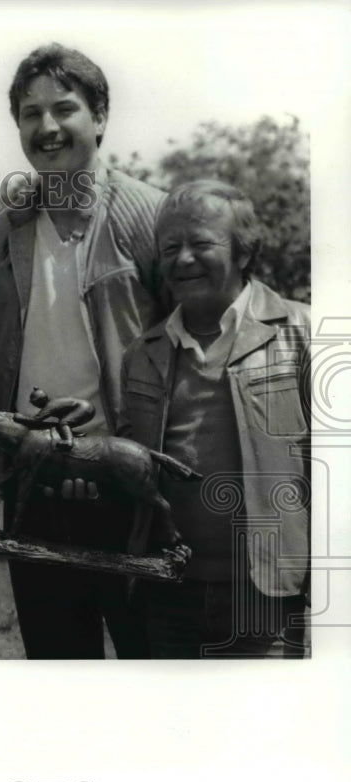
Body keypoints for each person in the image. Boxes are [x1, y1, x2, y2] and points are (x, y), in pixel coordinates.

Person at [0, 43, 168, 658]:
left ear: (100, 116)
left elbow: (195, 355)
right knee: (59, 676)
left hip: (134, 487)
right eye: (30, 114)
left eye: (64, 108)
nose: (47, 128)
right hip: (36, 488)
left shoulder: (152, 217)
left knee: (154, 668)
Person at [118, 180, 310, 657]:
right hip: (168, 593)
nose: (183, 259)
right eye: (170, 248)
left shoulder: (306, 335)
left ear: (243, 252)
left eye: (201, 244)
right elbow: (131, 466)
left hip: (269, 597)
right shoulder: (142, 354)